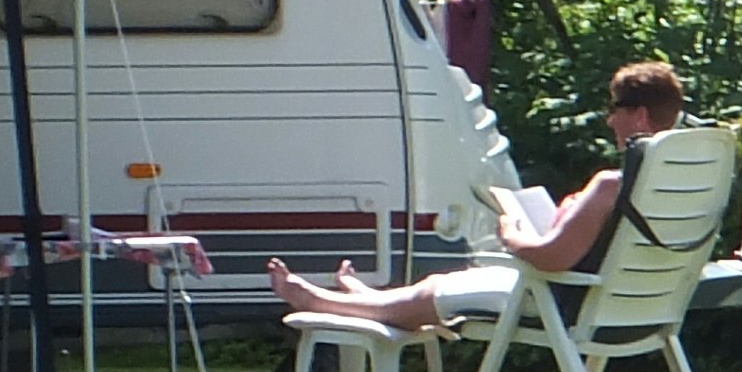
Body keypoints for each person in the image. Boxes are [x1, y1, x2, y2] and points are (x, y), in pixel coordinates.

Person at [270, 60, 687, 330]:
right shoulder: (674, 187)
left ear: (640, 115)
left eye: (616, 108)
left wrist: (512, 230)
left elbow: (551, 258)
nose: (611, 118)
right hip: (640, 311)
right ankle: (367, 298)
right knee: (440, 284)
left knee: (435, 292)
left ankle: (321, 301)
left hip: (563, 303)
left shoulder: (611, 185)